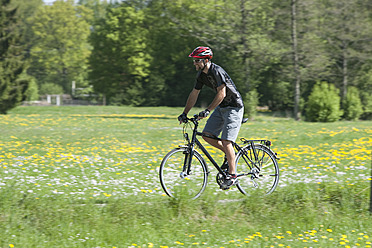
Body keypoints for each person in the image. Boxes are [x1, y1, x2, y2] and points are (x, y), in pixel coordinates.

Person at [178, 46, 244, 190]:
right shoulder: (201, 75)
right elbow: (194, 93)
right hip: (221, 108)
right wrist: (185, 113)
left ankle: (232, 175)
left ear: (206, 60)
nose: (194, 63)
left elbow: (222, 93)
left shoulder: (217, 71)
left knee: (227, 141)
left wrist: (208, 110)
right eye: (194, 61)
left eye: (197, 61)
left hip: (234, 107)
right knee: (207, 136)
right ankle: (229, 155)